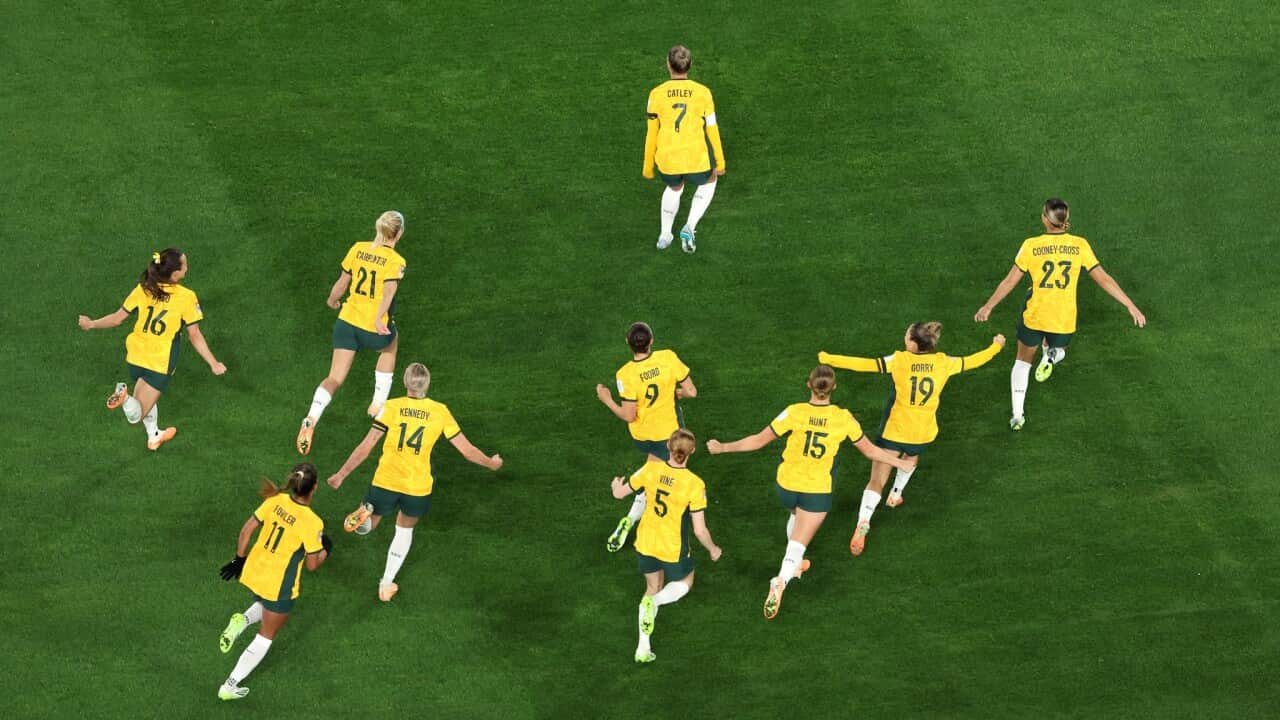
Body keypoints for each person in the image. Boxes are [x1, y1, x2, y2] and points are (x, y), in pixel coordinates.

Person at [707, 365, 915, 619]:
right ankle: (781, 580)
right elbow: (871, 451)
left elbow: (759, 440)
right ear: (833, 388)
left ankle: (795, 568)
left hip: (785, 486)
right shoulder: (843, 418)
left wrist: (723, 448)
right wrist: (900, 463)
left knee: (796, 519)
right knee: (798, 543)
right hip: (815, 490)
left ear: (809, 385)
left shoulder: (794, 412)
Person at [819, 323, 1005, 556]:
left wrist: (829, 358)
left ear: (914, 344)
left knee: (877, 479)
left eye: (907, 335)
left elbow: (863, 364)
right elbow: (974, 360)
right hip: (923, 432)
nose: (904, 336)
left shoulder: (899, 360)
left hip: (894, 430)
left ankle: (863, 522)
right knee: (911, 457)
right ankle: (896, 495)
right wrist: (996, 347)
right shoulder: (944, 362)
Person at [327, 362, 502, 601]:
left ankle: (364, 519)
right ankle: (386, 584)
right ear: (426, 384)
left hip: (386, 480)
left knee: (371, 523)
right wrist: (491, 463)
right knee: (404, 530)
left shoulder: (392, 407)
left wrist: (341, 474)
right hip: (417, 487)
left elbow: (366, 447)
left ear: (405, 383)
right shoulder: (440, 411)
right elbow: (467, 450)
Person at [974, 198, 1146, 430]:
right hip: (1063, 318)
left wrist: (988, 306)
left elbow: (1009, 281)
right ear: (1065, 219)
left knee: (1022, 362)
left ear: (1045, 218)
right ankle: (1051, 356)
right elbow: (1103, 278)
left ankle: (1017, 414)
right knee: (1060, 349)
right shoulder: (1080, 245)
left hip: (1035, 314)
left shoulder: (1031, 245)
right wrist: (1130, 304)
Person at [77, 248, 226, 450]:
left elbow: (117, 318)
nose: (187, 268)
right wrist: (213, 363)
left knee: (147, 395)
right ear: (175, 274)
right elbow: (195, 335)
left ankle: (154, 435)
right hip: (158, 363)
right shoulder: (186, 296)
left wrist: (92, 323)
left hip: (135, 356)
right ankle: (124, 396)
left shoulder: (144, 288)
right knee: (136, 415)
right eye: (185, 265)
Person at [216, 464, 330, 701]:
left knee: (264, 606)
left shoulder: (274, 500)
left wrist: (239, 560)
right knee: (266, 636)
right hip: (279, 583)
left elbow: (247, 529)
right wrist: (325, 548)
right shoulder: (312, 522)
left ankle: (243, 620)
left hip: (256, 570)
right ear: (314, 488)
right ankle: (230, 684)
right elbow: (312, 565)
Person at [297, 210, 408, 455]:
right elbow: (388, 294)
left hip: (346, 323)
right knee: (391, 345)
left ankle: (312, 416)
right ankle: (377, 402)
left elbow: (342, 282)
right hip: (373, 327)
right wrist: (380, 318)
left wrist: (332, 300)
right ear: (398, 233)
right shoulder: (396, 261)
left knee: (334, 378)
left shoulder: (358, 248)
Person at [611, 429, 721, 663]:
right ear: (691, 452)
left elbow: (620, 494)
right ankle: (657, 601)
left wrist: (615, 487)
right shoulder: (694, 484)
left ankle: (642, 649)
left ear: (669, 448)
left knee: (652, 585)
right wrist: (713, 549)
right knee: (685, 581)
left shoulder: (650, 469)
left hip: (646, 540)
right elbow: (700, 530)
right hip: (672, 545)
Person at [596, 322, 697, 553]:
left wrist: (607, 399)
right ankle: (645, 524)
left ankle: (630, 519)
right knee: (663, 481)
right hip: (670, 435)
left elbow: (629, 415)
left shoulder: (625, 374)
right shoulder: (668, 358)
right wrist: (672, 392)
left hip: (643, 436)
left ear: (628, 344)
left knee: (653, 467)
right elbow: (691, 391)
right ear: (651, 340)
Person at [642, 44, 726, 253]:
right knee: (711, 179)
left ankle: (665, 234)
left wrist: (648, 166)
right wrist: (721, 162)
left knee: (675, 188)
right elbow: (712, 129)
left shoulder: (656, 94)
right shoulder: (703, 93)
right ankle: (689, 225)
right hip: (696, 158)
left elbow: (651, 133)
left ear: (668, 65)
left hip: (668, 159)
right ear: (690, 65)